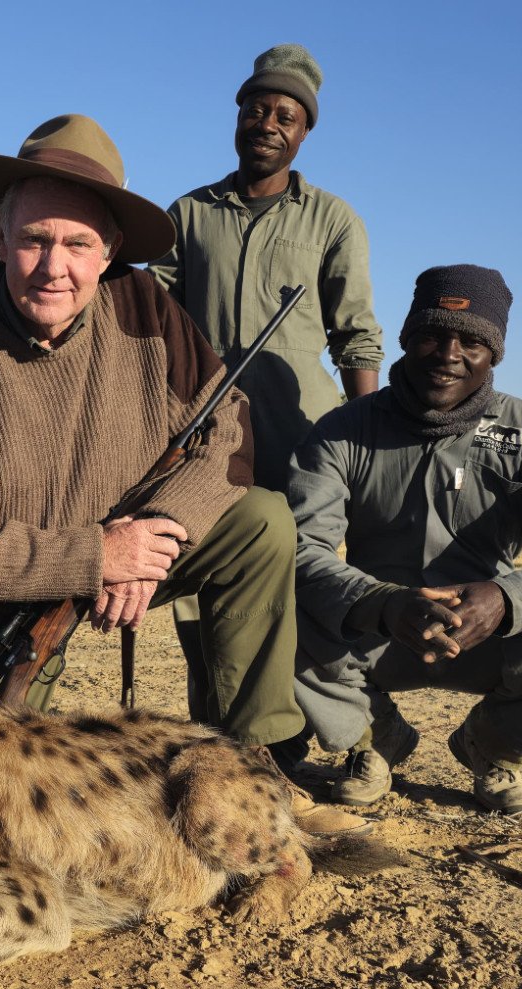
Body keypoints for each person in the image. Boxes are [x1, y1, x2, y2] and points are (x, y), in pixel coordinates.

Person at [0, 113, 364, 836]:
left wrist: (155, 537)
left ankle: (255, 758)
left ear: (108, 252)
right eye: (36, 240)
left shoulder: (144, 304)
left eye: (78, 244)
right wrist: (96, 557)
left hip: (124, 551)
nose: (55, 267)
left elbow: (225, 427)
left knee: (263, 522)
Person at [287, 265, 522, 815]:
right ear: (407, 341)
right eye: (431, 335)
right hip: (378, 634)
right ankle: (372, 739)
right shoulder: (342, 430)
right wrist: (379, 602)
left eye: (472, 341)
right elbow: (302, 547)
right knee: (272, 599)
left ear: (493, 354)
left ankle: (494, 748)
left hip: (489, 636)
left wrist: (508, 598)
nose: (448, 354)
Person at [147, 44, 386, 723]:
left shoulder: (333, 219)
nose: (268, 122)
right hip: (203, 442)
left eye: (285, 113)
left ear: (304, 130)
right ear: (238, 116)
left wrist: (365, 442)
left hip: (303, 439)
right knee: (200, 583)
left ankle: (287, 733)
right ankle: (214, 731)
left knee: (301, 583)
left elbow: (357, 335)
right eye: (257, 108)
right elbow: (148, 318)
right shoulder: (187, 214)